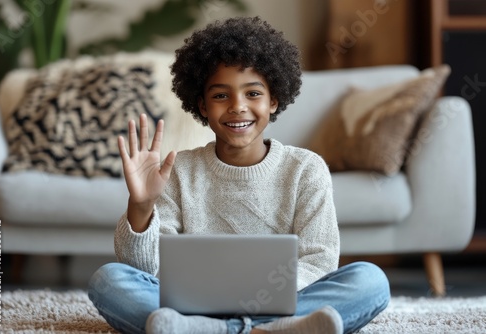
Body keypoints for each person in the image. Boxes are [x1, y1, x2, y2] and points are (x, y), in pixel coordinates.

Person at [88, 16, 390, 334]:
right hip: (195, 306)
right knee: (108, 280)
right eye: (220, 96)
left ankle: (214, 330)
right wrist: (141, 205)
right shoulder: (178, 171)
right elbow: (148, 270)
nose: (237, 107)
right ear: (202, 105)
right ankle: (271, 330)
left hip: (269, 305)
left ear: (274, 100)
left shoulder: (306, 169)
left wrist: (254, 297)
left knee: (370, 281)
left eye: (253, 94)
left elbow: (319, 260)